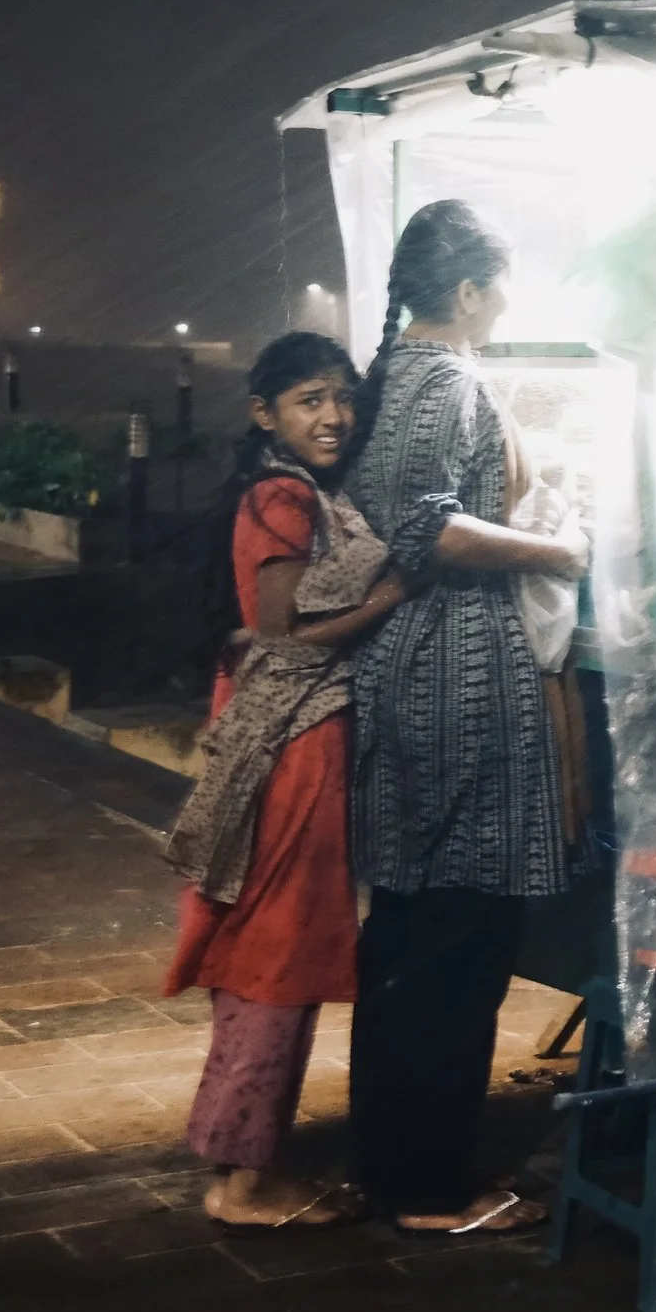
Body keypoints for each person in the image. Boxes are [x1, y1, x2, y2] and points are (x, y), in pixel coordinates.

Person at [345, 199, 589, 1236]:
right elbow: (426, 530)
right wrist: (553, 551)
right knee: (460, 934)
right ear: (468, 291)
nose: (508, 303)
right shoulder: (444, 380)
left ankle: (393, 1160)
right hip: (461, 676)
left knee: (405, 932)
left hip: (401, 673)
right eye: (502, 286)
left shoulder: (390, 376)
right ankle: (436, 1188)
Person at [162, 332, 405, 1229]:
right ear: (266, 414)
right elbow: (280, 629)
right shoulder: (282, 495)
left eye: (340, 396)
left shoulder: (292, 490)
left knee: (267, 949)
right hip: (296, 746)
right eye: (309, 399)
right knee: (280, 953)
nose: (334, 415)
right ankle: (247, 1183)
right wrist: (395, 593)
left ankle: (237, 1157)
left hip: (289, 739)